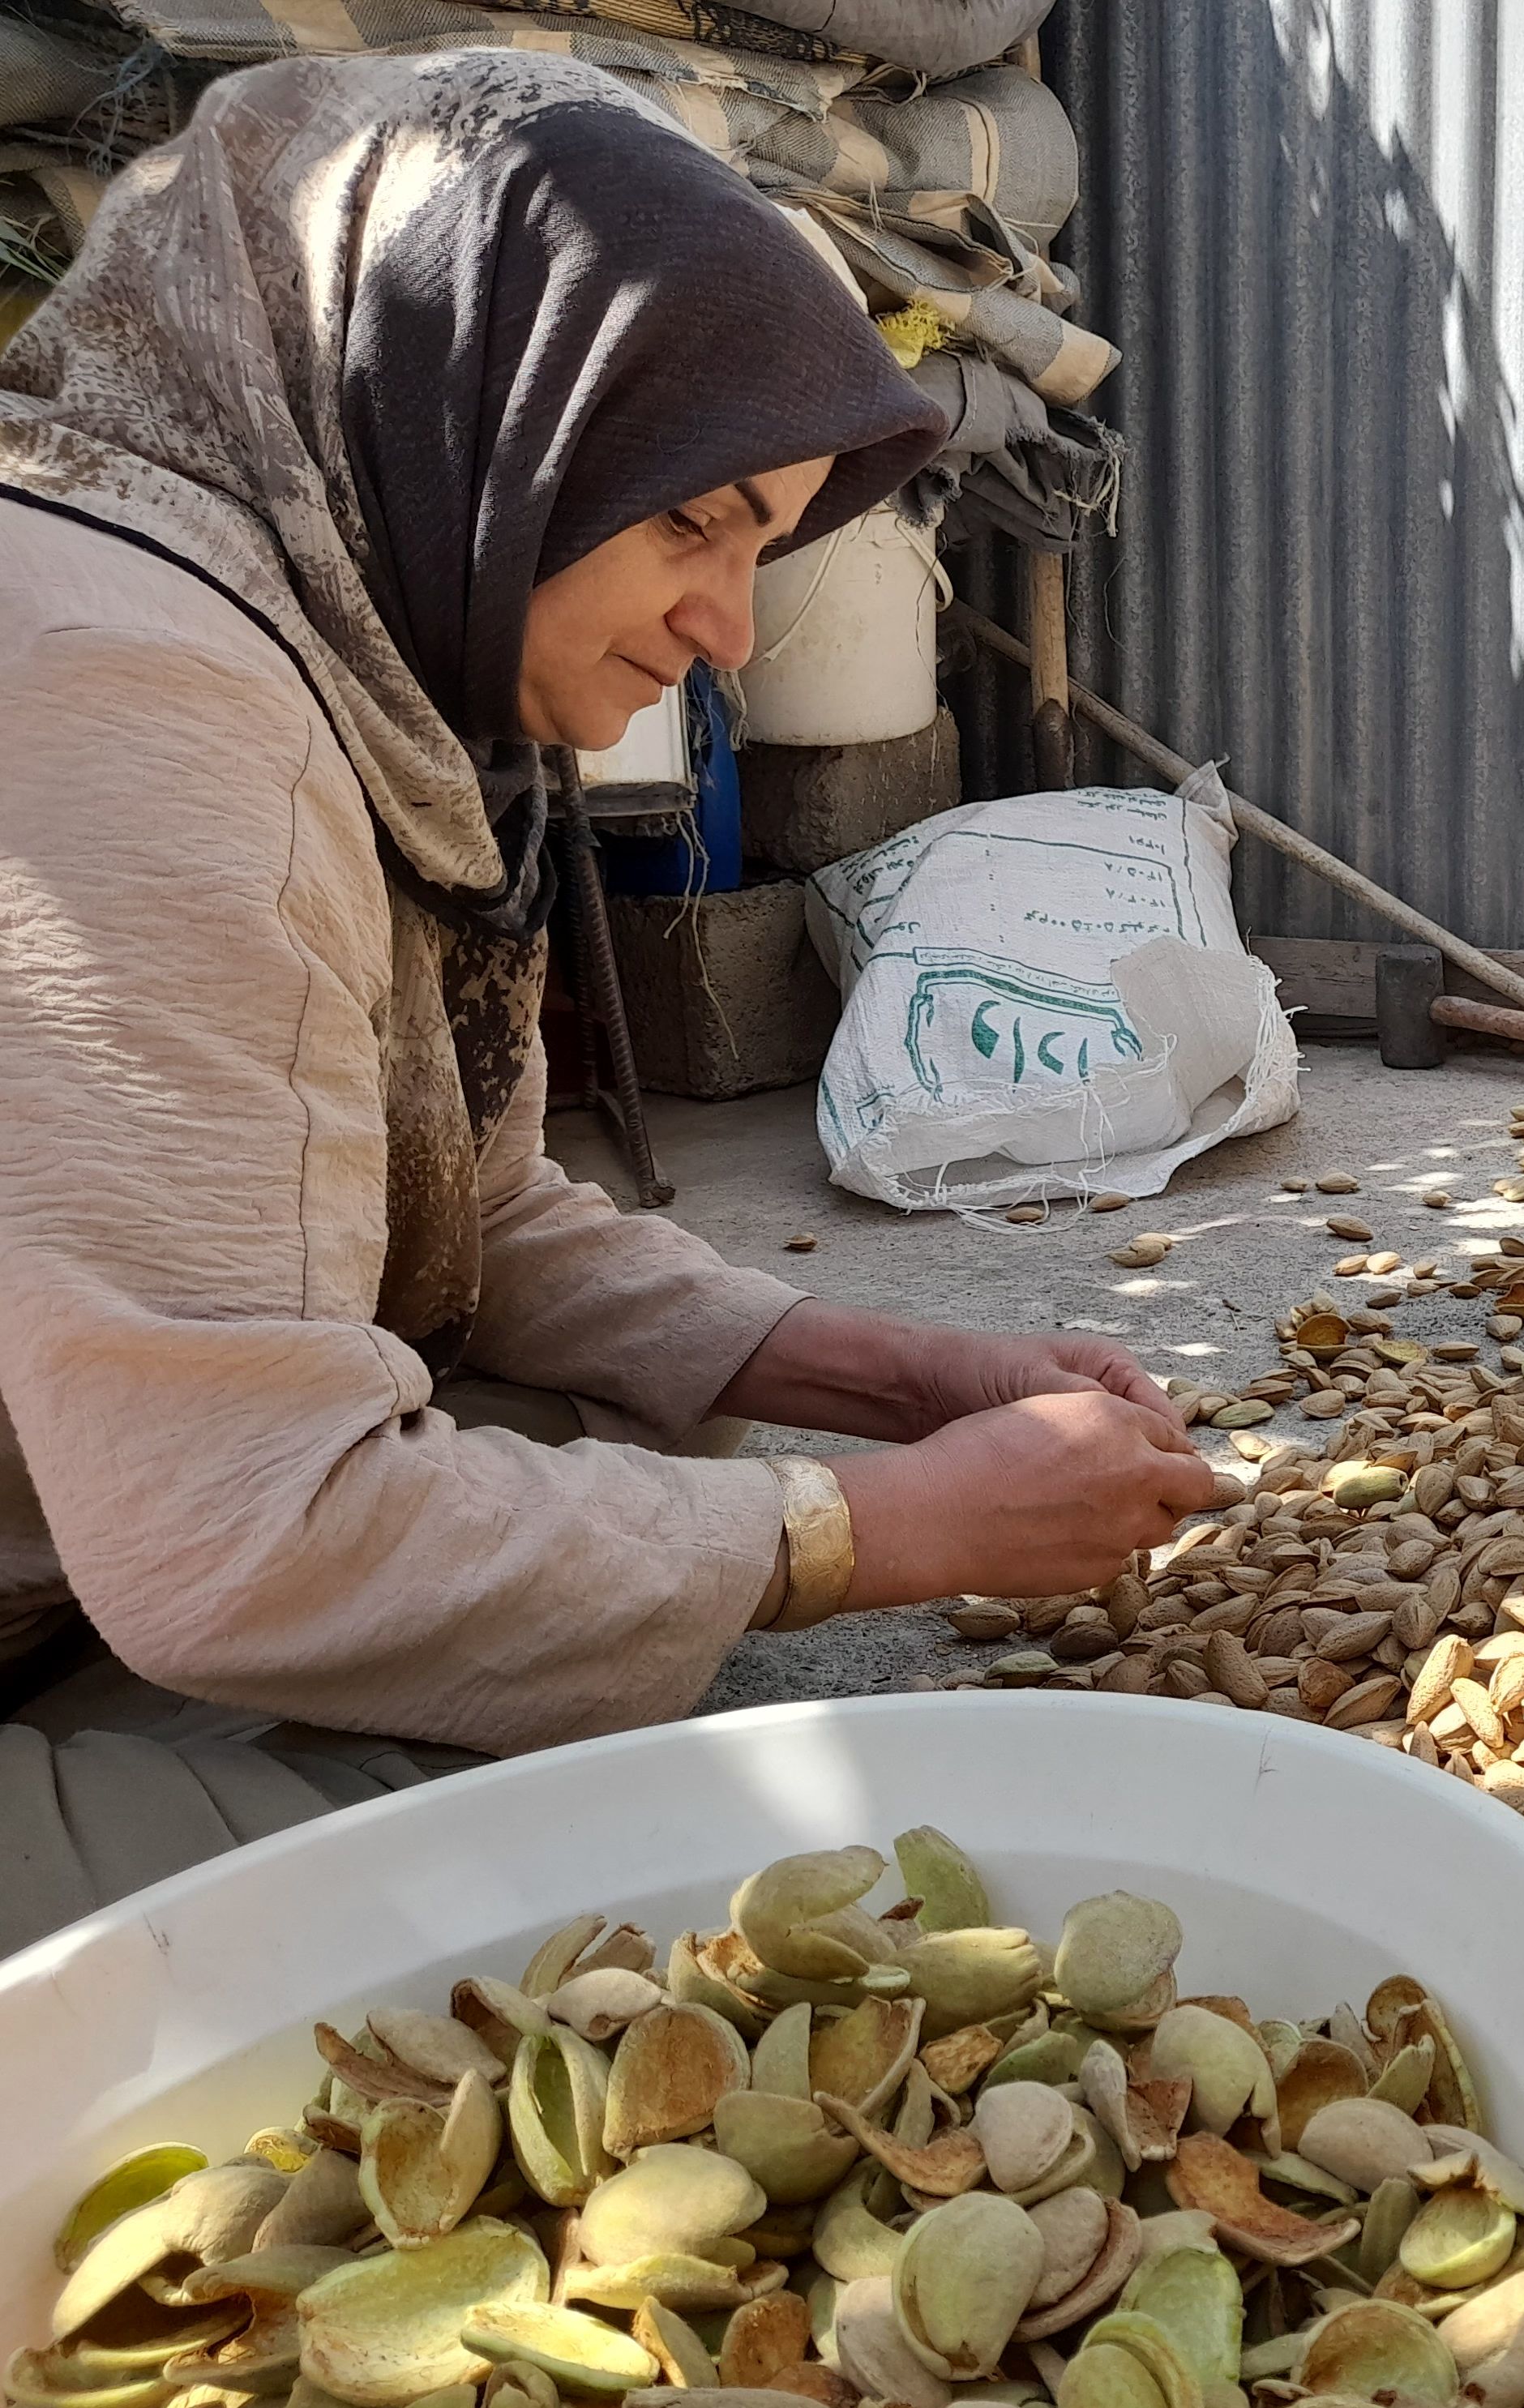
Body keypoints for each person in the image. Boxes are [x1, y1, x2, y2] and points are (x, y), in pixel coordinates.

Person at [0, 50, 1218, 1950]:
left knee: (637, 1464)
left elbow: (460, 1215)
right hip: (120, 1554)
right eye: (694, 523)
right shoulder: (137, 700)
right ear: (465, 408)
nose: (728, 628)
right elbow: (244, 1541)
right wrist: (872, 1537)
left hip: (82, 1507)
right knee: (569, 1832)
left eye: (760, 541)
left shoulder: (327, 622)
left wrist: (905, 1387)